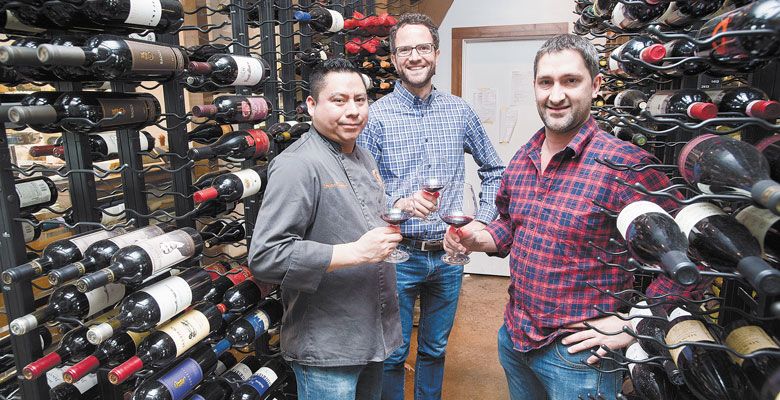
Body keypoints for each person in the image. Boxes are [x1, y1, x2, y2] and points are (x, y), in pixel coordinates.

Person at [443, 34, 700, 399]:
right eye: (546, 82)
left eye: (570, 81)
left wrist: (636, 322)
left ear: (595, 85)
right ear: (534, 86)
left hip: (578, 358)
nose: (556, 94)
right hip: (515, 340)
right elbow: (509, 225)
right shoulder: (524, 156)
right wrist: (479, 237)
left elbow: (693, 254)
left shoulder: (625, 165)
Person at [357, 13, 505, 400]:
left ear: (436, 54)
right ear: (392, 57)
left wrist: (481, 225)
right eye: (405, 49)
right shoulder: (376, 117)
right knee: (392, 355)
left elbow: (494, 169)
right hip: (397, 256)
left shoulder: (459, 110)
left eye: (423, 47)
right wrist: (398, 203)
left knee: (435, 350)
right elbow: (361, 190)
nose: (415, 56)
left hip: (447, 257)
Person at [248, 58, 403, 400]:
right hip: (329, 346)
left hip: (372, 333)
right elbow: (265, 257)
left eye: (360, 100)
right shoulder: (297, 165)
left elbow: (358, 216)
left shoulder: (363, 155)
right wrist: (354, 253)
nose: (353, 111)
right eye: (339, 100)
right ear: (312, 105)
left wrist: (398, 209)